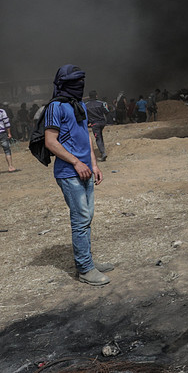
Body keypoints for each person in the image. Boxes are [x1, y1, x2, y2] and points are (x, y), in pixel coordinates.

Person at [42, 65, 114, 286]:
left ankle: (88, 261)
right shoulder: (55, 107)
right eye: (75, 81)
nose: (80, 85)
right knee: (81, 218)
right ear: (63, 84)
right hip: (68, 172)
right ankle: (85, 269)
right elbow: (50, 141)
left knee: (87, 217)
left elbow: (86, 138)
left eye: (81, 80)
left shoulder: (79, 105)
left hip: (85, 170)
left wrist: (94, 165)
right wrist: (76, 162)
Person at [83, 90, 110, 161]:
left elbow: (85, 116)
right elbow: (106, 111)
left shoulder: (86, 105)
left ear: (89, 96)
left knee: (98, 138)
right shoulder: (101, 103)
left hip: (94, 124)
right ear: (96, 96)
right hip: (102, 122)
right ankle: (103, 150)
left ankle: (103, 153)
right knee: (100, 136)